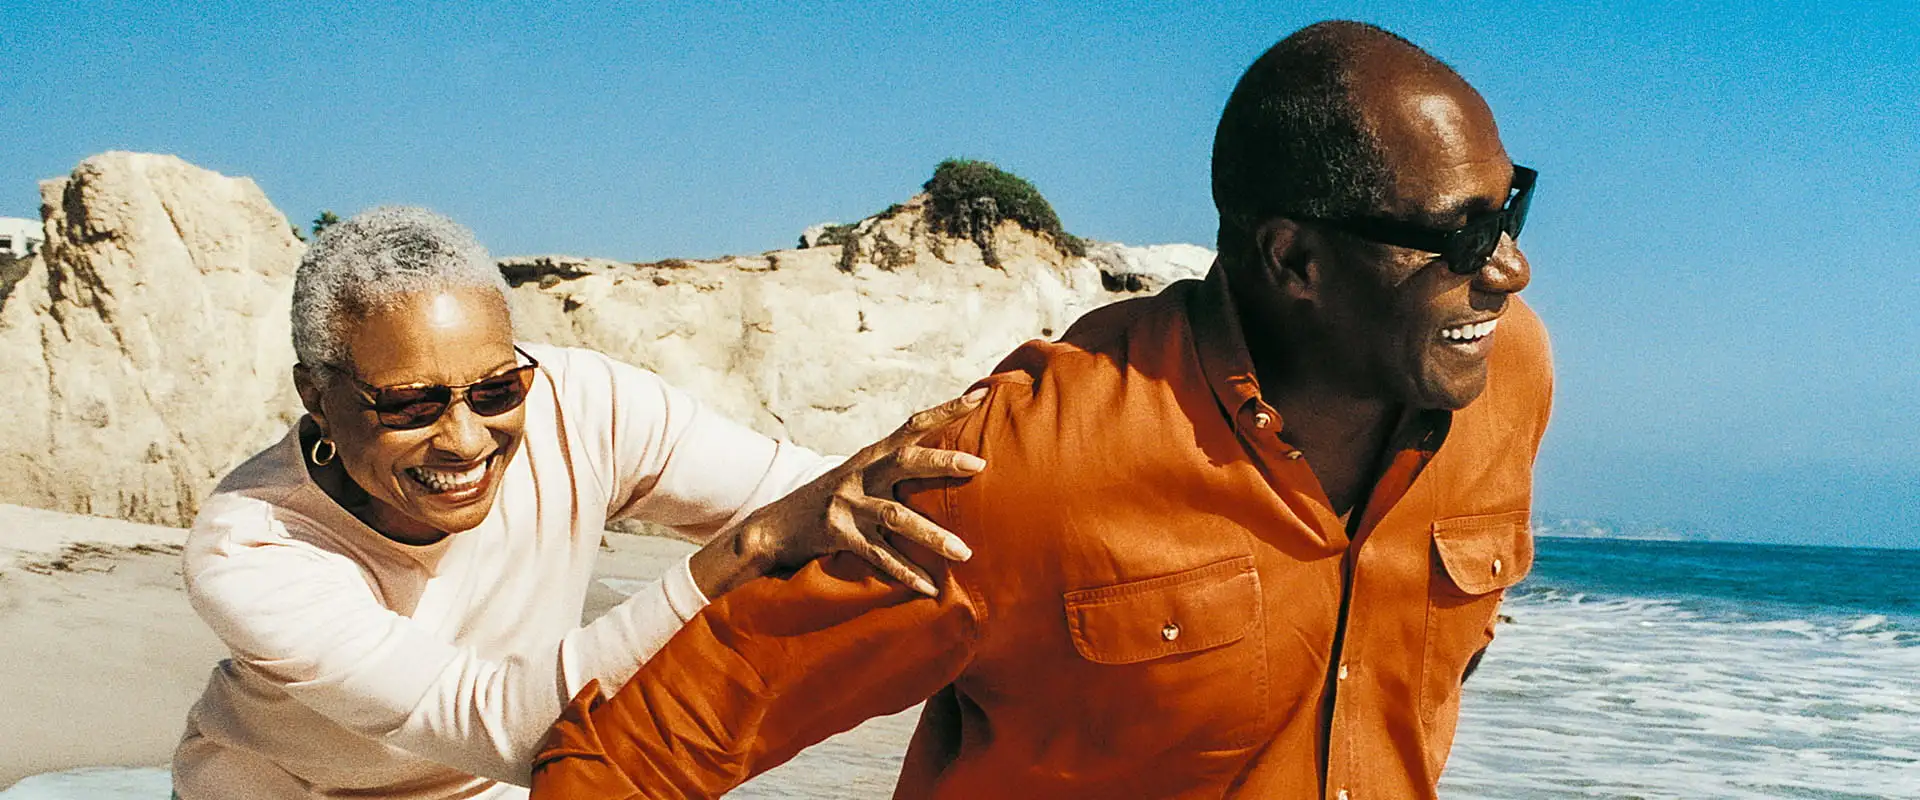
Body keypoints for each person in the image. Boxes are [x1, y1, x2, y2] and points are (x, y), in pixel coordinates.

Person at [530, 19, 1553, 800]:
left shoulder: (1507, 380)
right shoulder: (1025, 466)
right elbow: (634, 753)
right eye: (1461, 235)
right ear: (1296, 258)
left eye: (1509, 210)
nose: (1510, 267)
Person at [171, 207, 985, 799]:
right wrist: (747, 549)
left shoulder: (579, 404)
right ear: (317, 398)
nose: (465, 439)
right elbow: (500, 725)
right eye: (411, 404)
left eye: (494, 389)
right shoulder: (252, 549)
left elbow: (820, 494)